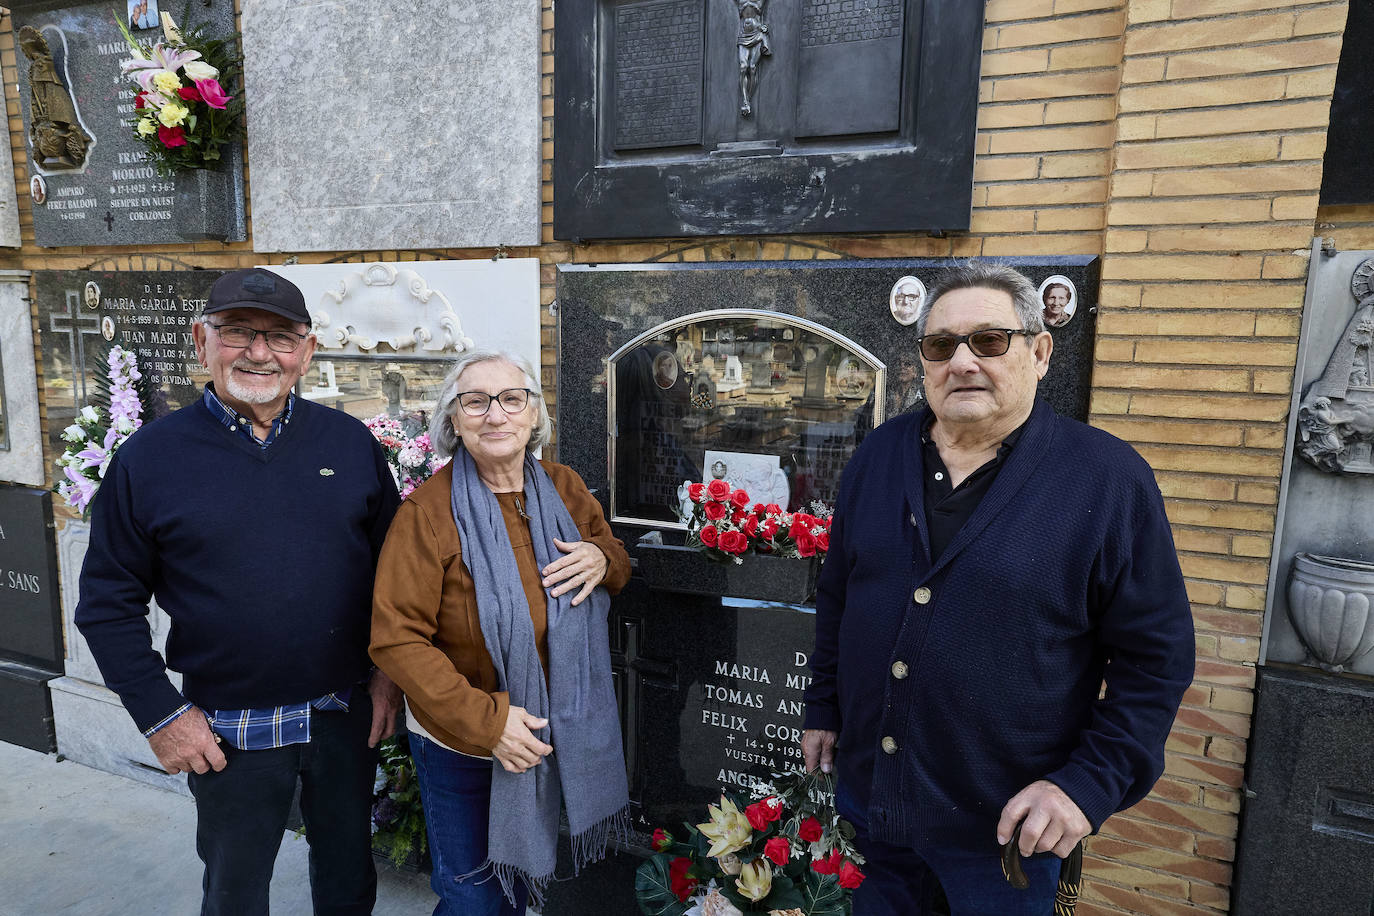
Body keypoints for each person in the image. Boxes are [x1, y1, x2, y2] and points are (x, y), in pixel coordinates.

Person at [801, 262, 1193, 915]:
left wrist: (1089, 785)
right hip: (874, 806)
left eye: (988, 341)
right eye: (940, 345)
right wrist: (823, 705)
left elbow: (1157, 661)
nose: (961, 361)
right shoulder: (877, 456)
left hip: (1003, 837)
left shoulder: (1108, 480)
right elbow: (839, 593)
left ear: (1039, 352)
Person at [75, 267, 403, 916]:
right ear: (202, 342)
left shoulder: (349, 443)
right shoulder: (149, 459)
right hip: (226, 728)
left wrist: (388, 678)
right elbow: (107, 601)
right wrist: (160, 715)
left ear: (307, 352)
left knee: (347, 875)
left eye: (281, 337)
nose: (260, 352)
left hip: (343, 715)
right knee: (235, 888)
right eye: (238, 333)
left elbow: (396, 576)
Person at [370, 350, 633, 915]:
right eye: (476, 401)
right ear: (453, 420)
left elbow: (614, 558)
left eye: (512, 399)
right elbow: (397, 639)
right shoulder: (426, 514)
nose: (496, 415)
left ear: (533, 414)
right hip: (459, 740)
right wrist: (489, 724)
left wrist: (601, 558)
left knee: (517, 889)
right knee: (472, 897)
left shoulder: (564, 487)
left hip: (544, 728)